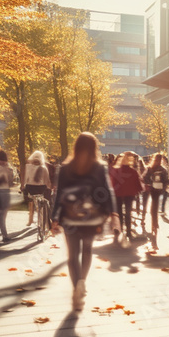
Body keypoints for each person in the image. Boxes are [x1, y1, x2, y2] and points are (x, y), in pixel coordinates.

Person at [51, 133, 115, 311]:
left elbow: (59, 195)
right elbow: (107, 191)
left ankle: (75, 289)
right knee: (87, 251)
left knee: (72, 256)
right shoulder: (98, 167)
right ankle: (82, 283)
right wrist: (112, 213)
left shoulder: (65, 168)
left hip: (70, 218)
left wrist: (54, 217)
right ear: (94, 147)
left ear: (76, 146)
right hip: (91, 218)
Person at [110, 153, 144, 243]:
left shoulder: (116, 171)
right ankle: (128, 232)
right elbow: (138, 184)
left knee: (119, 213)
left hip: (118, 194)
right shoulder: (133, 171)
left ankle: (120, 230)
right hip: (129, 194)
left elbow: (112, 183)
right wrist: (138, 190)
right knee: (128, 213)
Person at [141, 153, 169, 252]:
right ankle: (154, 222)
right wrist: (163, 187)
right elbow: (167, 181)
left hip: (150, 189)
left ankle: (146, 218)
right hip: (157, 190)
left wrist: (148, 183)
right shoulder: (163, 169)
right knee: (154, 206)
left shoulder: (150, 168)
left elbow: (144, 178)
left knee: (148, 205)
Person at [22, 150, 52, 227]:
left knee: (31, 202)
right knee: (41, 205)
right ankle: (42, 222)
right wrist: (49, 188)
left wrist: (23, 187)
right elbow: (47, 181)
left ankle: (30, 220)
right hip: (40, 188)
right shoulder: (44, 168)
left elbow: (25, 179)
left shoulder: (27, 166)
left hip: (30, 188)